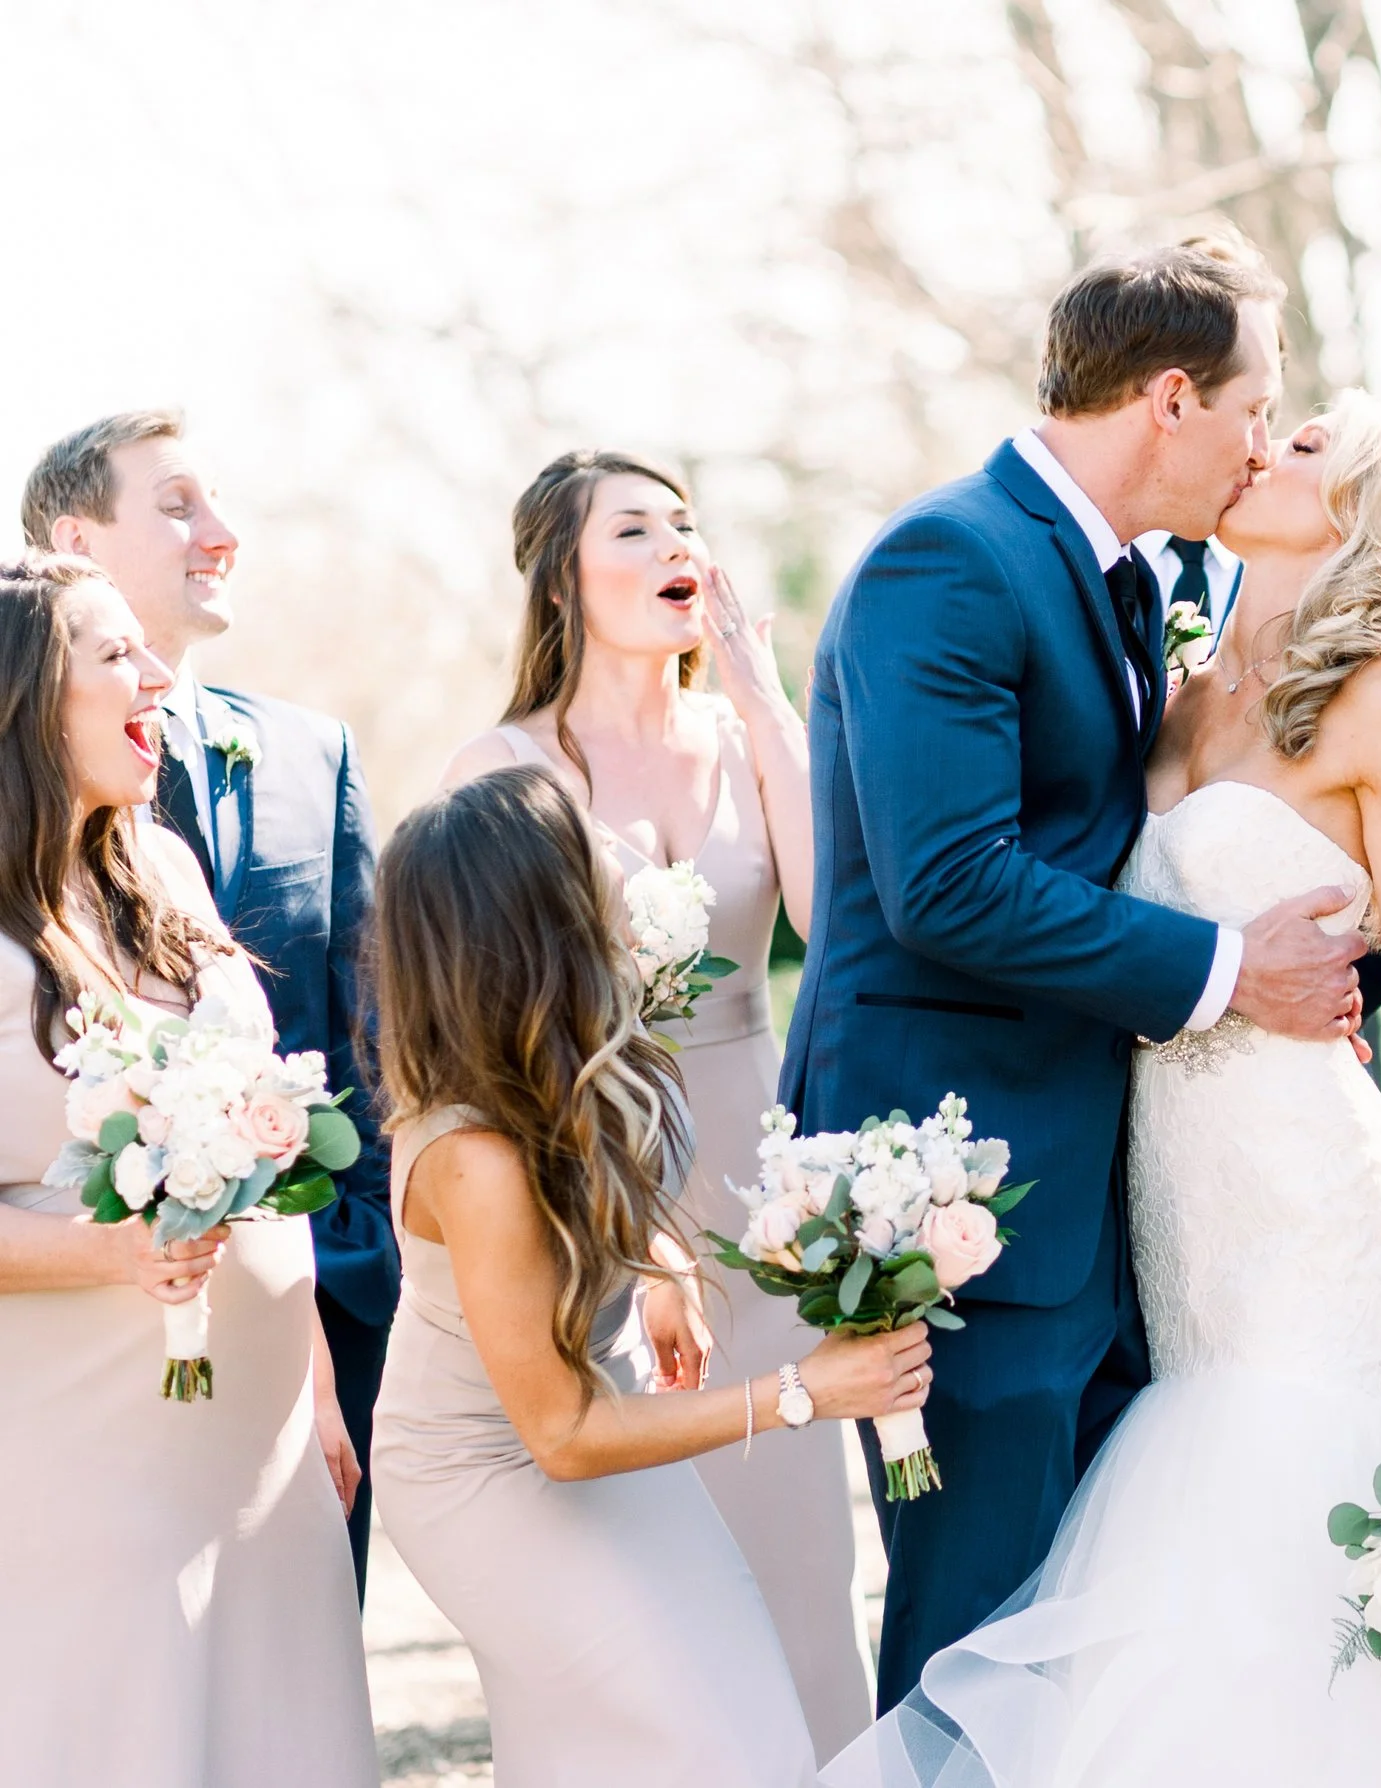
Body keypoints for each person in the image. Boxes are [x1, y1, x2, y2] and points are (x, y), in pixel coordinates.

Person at [829, 390, 1381, 1786]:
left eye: (1308, 445)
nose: (1268, 445)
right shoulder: (1181, 684)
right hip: (1172, 1192)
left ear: (1365, 520)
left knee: (1266, 1549)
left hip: (1313, 1192)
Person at [780, 243, 1372, 1710]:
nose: (1260, 442)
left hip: (1097, 1175)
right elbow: (948, 883)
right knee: (980, 1624)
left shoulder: (1111, 576)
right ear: (1173, 398)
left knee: (1099, 1625)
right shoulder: (953, 560)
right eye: (1255, 407)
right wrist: (1233, 968)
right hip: (958, 1181)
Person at [367, 764, 931, 1787]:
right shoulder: (474, 1159)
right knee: (695, 1742)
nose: (623, 864)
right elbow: (562, 1437)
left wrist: (659, 1259)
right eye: (593, 852)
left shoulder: (598, 1042)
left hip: (597, 1409)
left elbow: (598, 1193)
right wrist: (808, 1391)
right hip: (486, 1467)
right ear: (537, 914)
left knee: (746, 1724)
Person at [439, 450, 869, 1756]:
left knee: (802, 1560)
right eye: (635, 527)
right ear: (563, 577)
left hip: (759, 1172)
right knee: (647, 1573)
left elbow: (830, 918)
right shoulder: (500, 768)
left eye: (687, 519)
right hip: (592, 1177)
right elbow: (474, 1021)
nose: (679, 542)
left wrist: (761, 690)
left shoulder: (745, 737)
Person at [0, 553, 375, 1785]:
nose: (156, 675)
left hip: (257, 1430)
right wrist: (113, 1248)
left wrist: (316, 1380)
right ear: (19, 699)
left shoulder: (161, 866)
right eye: (113, 655)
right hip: (82, 1444)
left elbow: (256, 1129)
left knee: (280, 1729)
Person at [21, 412, 396, 1596]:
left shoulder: (242, 806)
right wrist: (123, 1251)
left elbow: (353, 1028)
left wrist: (336, 1329)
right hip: (71, 1398)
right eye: (180, 504)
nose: (222, 534)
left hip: (290, 1342)